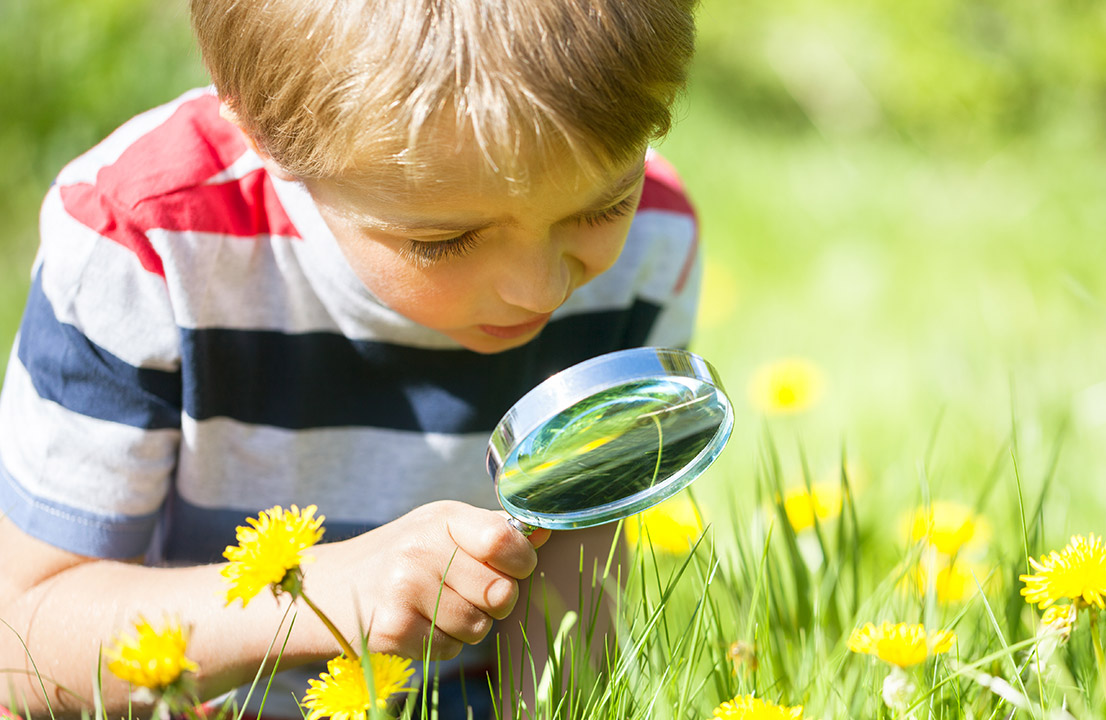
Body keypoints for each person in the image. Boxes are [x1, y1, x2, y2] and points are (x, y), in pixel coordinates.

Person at [0, 0, 700, 716]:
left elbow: (571, 593)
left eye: (601, 207)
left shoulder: (653, 243)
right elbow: (21, 640)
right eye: (445, 241)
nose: (542, 287)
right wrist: (323, 596)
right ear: (264, 131)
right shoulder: (148, 243)